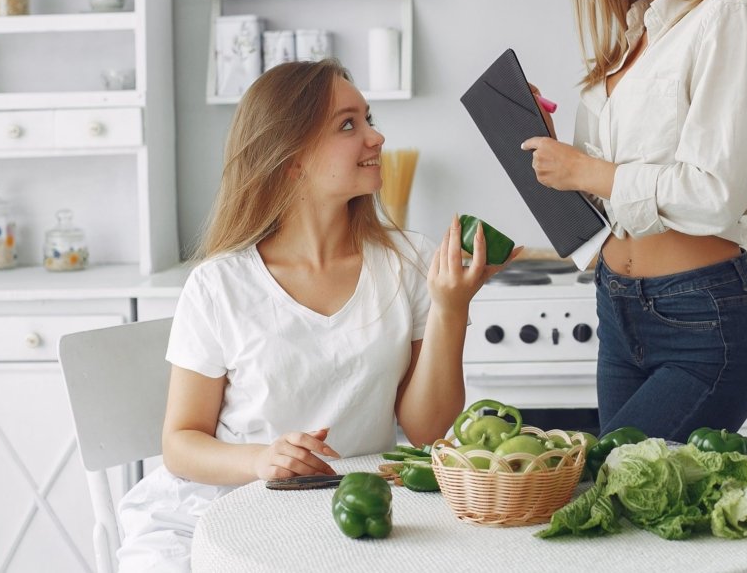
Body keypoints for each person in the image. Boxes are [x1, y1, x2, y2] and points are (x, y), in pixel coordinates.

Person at [117, 60, 516, 572]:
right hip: (224, 508)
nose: (375, 137)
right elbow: (180, 443)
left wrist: (450, 309)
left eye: (367, 118)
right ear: (291, 160)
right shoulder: (220, 284)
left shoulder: (406, 262)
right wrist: (260, 459)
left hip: (349, 512)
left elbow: (428, 432)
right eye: (348, 125)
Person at [522, 0, 747, 442]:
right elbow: (611, 198)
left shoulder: (728, 19)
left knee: (614, 489)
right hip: (617, 308)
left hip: (702, 320)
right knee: (630, 523)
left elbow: (714, 195)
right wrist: (552, 151)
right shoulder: (629, 41)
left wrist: (587, 171)